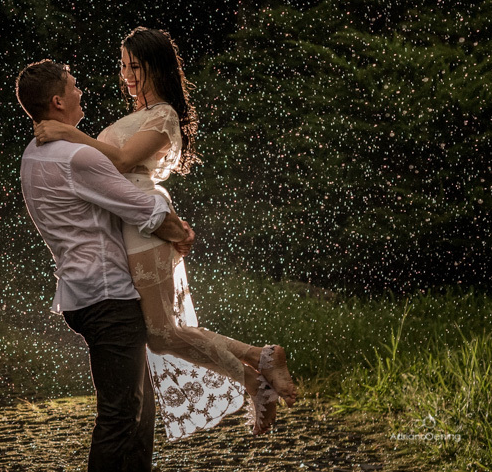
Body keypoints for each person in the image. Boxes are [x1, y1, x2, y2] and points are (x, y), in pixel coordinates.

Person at [33, 27, 297, 441]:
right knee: (161, 333)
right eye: (123, 66)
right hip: (130, 224)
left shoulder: (164, 115)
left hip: (145, 222)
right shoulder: (133, 117)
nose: (127, 74)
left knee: (160, 333)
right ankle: (257, 364)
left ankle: (257, 369)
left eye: (135, 66)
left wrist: (67, 132)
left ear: (156, 66)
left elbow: (119, 161)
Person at [16, 59, 197, 472]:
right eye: (74, 86)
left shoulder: (32, 156)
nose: (81, 92)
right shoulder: (77, 158)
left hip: (81, 295)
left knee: (140, 412)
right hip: (109, 296)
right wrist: (179, 230)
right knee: (120, 416)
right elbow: (143, 210)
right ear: (59, 101)